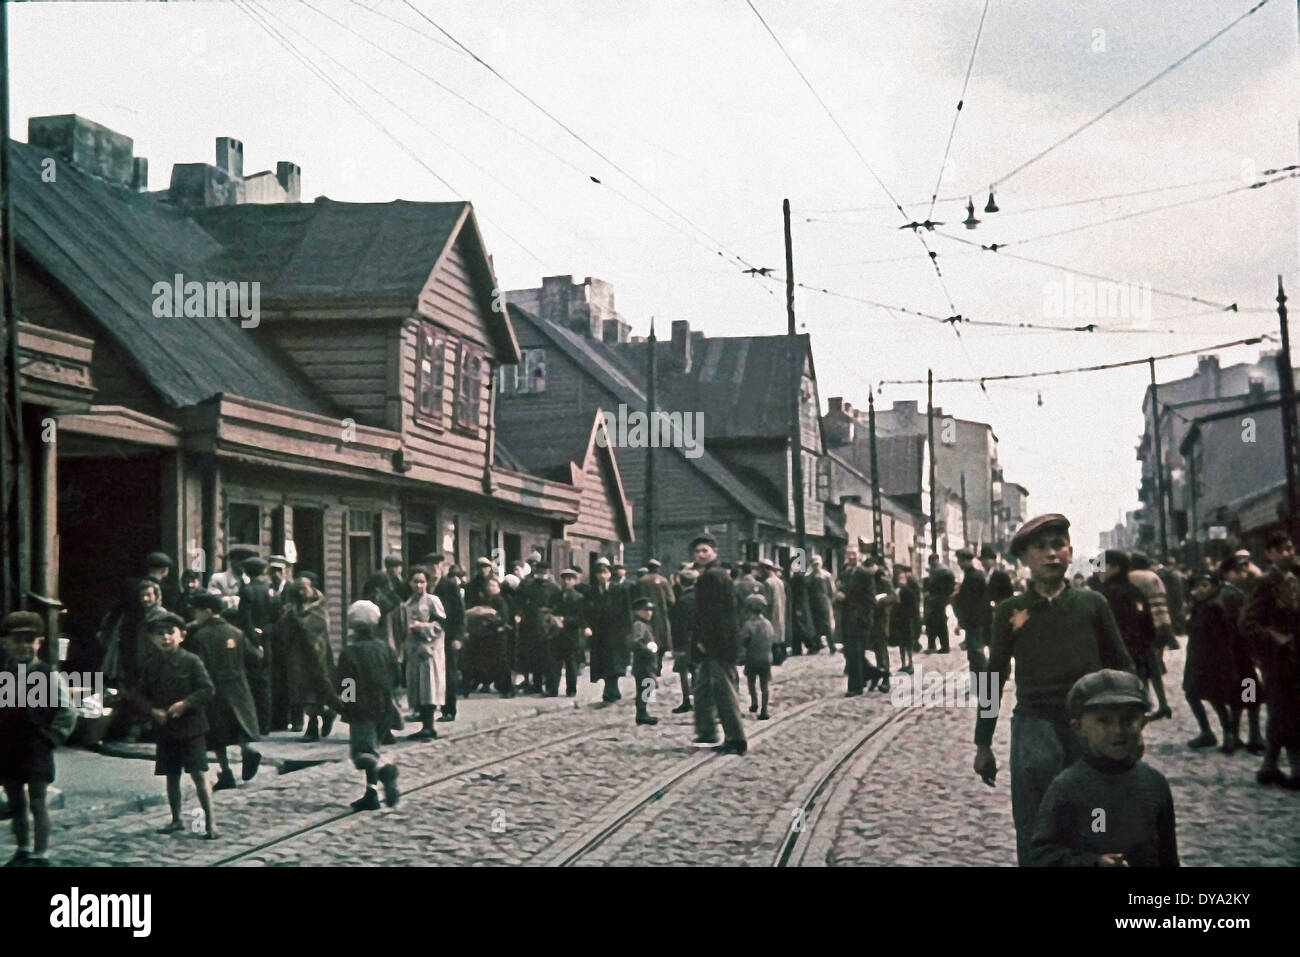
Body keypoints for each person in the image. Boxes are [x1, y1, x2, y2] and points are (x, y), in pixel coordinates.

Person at [972, 514, 1135, 866]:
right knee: (1036, 824)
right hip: (1035, 730)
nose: (1051, 554)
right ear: (1025, 559)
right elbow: (993, 676)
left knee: (1097, 821)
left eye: (1058, 545)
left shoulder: (1092, 605)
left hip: (1091, 730)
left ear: (1070, 551)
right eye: (1040, 548)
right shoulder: (1011, 612)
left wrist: (1130, 726)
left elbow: (1122, 666)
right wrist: (983, 742)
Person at [1028, 669, 1178, 868]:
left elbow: (1168, 855)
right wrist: (1093, 863)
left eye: (1128, 719)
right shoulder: (1068, 787)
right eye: (1104, 721)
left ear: (1142, 722)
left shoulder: (1154, 783)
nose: (1117, 730)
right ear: (1078, 727)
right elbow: (1042, 855)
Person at [126, 613, 218, 839]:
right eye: (160, 634)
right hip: (166, 728)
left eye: (170, 633)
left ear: (182, 636)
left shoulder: (192, 661)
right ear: (152, 639)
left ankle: (210, 823)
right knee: (171, 775)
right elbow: (138, 695)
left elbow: (207, 690)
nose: (165, 638)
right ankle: (176, 819)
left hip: (192, 728)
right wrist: (151, 711)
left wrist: (186, 704)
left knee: (198, 775)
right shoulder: (151, 665)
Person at [0, 612, 77, 867]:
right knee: (15, 802)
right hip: (9, 746)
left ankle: (41, 853)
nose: (23, 646)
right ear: (5, 643)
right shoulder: (5, 676)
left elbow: (67, 710)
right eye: (16, 640)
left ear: (39, 643)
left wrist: (52, 738)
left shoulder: (47, 674)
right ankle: (22, 848)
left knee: (37, 801)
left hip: (36, 747)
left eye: (29, 640)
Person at [183, 593, 262, 790]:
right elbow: (255, 658)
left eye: (197, 611)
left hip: (214, 689)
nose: (195, 615)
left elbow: (198, 665)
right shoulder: (236, 632)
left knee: (217, 735)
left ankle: (226, 772)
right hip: (238, 687)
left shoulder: (201, 636)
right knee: (239, 725)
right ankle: (248, 750)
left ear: (208, 612)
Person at [1240, 530, 1300, 788]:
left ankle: (1270, 765)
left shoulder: (1295, 578)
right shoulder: (1265, 582)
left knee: (1292, 710)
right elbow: (1247, 622)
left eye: (1291, 547)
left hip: (1296, 656)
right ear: (1270, 554)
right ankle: (1293, 768)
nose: (1289, 553)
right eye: (1282, 549)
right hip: (1276, 659)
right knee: (1281, 710)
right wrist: (1274, 637)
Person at [333, 601, 400, 811]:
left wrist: (347, 705)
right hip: (384, 706)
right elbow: (396, 677)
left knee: (362, 754)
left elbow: (347, 683)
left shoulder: (350, 652)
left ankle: (385, 772)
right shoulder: (385, 649)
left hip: (361, 708)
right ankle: (371, 793)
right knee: (374, 748)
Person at [691, 535, 747, 754]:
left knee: (724, 690)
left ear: (715, 552)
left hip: (718, 642)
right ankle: (707, 731)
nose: (700, 555)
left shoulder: (712, 577)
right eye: (697, 552)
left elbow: (716, 614)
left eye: (705, 551)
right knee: (702, 687)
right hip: (713, 641)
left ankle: (736, 739)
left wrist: (706, 641)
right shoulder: (713, 575)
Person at [1097, 550, 1159, 720]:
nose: (1098, 570)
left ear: (1115, 568)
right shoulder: (1135, 592)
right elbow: (1149, 628)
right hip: (1137, 658)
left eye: (1102, 565)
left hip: (1113, 659)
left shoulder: (1104, 595)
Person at [1183, 571, 1241, 752]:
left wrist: (1225, 664)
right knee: (1193, 693)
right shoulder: (1198, 607)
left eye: (1204, 585)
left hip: (1213, 660)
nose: (1198, 590)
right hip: (1197, 658)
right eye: (1195, 586)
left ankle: (1228, 735)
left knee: (1216, 698)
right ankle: (1209, 732)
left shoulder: (1215, 608)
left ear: (1214, 587)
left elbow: (1224, 637)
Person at [279, 572, 336, 742]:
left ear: (312, 588)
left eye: (304, 589)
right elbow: (283, 627)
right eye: (297, 590)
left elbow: (316, 626)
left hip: (318, 655)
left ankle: (319, 720)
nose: (301, 593)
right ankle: (318, 719)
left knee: (318, 688)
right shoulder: (293, 608)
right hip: (298, 655)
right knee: (302, 690)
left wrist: (298, 620)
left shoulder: (320, 606)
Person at [1219, 556, 1267, 754]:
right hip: (1241, 653)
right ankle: (1254, 737)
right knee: (1251, 695)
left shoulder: (1227, 593)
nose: (1243, 574)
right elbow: (1242, 625)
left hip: (1232, 654)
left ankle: (1234, 736)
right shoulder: (1233, 595)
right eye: (1239, 571)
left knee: (1237, 696)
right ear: (1228, 573)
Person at [400, 567, 447, 741]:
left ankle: (429, 726)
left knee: (429, 686)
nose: (419, 585)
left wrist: (422, 627)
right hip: (414, 649)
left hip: (429, 650)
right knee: (417, 686)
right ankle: (422, 724)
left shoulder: (432, 601)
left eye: (422, 582)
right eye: (415, 581)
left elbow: (441, 623)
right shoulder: (408, 602)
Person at [1127, 552, 1174, 720]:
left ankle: (1148, 702)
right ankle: (1162, 703)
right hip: (1160, 625)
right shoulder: (1153, 576)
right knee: (1154, 666)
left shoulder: (1132, 578)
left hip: (1143, 628)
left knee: (1142, 667)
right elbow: (1162, 603)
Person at [238, 557, 281, 734]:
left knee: (250, 683)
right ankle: (265, 724)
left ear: (247, 572)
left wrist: (255, 640)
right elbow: (277, 617)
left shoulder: (247, 591)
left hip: (250, 641)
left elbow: (244, 620)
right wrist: (265, 633)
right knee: (265, 683)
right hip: (268, 640)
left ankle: (253, 724)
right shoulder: (271, 590)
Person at [835, 545, 877, 697]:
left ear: (859, 556)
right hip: (847, 619)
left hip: (859, 620)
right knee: (850, 653)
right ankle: (875, 673)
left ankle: (855, 687)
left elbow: (871, 598)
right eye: (849, 554)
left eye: (854, 554)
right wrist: (839, 597)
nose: (851, 557)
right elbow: (842, 592)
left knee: (856, 653)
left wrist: (863, 616)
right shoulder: (845, 573)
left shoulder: (865, 574)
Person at [588, 557, 632, 703]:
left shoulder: (619, 589)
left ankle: (613, 689)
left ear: (609, 574)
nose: (602, 575)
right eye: (599, 573)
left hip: (616, 632)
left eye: (605, 572)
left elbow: (627, 610)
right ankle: (609, 689)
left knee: (615, 662)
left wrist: (628, 630)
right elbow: (586, 611)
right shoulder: (592, 591)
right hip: (599, 633)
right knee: (603, 662)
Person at [519, 560, 562, 695]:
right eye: (539, 572)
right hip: (531, 624)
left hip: (548, 626)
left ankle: (550, 687)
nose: (541, 575)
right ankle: (536, 685)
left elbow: (558, 606)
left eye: (544, 572)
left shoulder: (554, 588)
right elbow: (520, 602)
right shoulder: (528, 585)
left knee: (549, 658)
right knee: (534, 657)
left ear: (549, 573)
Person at [363, 554, 410, 668]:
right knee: (389, 641)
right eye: (398, 567)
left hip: (382, 614)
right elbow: (395, 597)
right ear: (393, 567)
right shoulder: (384, 578)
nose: (399, 570)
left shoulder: (384, 577)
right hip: (387, 614)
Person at [434, 565, 466, 722]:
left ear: (441, 567)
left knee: (449, 673)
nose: (433, 569)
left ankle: (449, 710)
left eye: (436, 565)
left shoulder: (449, 586)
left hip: (449, 636)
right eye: (429, 566)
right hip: (430, 638)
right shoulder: (422, 583)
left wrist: (459, 637)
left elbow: (460, 613)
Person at [954, 549, 990, 684]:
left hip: (974, 621)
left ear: (965, 561)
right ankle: (979, 682)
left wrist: (961, 622)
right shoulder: (975, 575)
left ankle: (984, 681)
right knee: (974, 653)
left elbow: (970, 603)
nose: (958, 563)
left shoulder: (972, 577)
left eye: (959, 561)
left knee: (975, 653)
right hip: (976, 620)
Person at [739, 593, 777, 720]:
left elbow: (743, 640)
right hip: (766, 658)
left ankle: (754, 702)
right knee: (764, 685)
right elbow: (772, 638)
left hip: (752, 658)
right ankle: (764, 709)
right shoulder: (768, 624)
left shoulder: (748, 624)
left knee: (751, 681)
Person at [550, 569, 585, 698]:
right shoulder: (556, 596)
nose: (567, 582)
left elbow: (581, 619)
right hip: (556, 635)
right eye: (565, 579)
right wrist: (553, 619)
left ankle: (571, 690)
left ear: (575, 581)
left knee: (571, 665)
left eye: (570, 579)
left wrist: (564, 619)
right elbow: (550, 611)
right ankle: (553, 689)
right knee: (555, 664)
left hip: (571, 635)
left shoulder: (579, 598)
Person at [637, 558, 676, 670]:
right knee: (661, 641)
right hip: (661, 616)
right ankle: (658, 665)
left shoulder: (641, 581)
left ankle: (650, 667)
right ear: (658, 569)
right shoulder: (664, 581)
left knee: (646, 640)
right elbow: (671, 600)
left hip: (643, 616)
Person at [670, 568, 699, 713]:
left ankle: (687, 700)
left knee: (684, 671)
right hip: (700, 640)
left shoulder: (682, 601)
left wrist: (676, 647)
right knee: (697, 670)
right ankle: (700, 700)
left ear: (681, 583)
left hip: (685, 641)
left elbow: (677, 625)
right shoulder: (703, 598)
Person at [865, 555, 895, 692]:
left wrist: (881, 600)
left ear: (875, 566)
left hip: (881, 619)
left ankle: (886, 677)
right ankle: (877, 673)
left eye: (871, 567)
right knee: (875, 649)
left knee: (881, 649)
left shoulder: (883, 580)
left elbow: (894, 597)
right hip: (870, 619)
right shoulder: (867, 580)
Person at [630, 598, 661, 726]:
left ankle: (642, 713)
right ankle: (641, 714)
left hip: (647, 662)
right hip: (643, 662)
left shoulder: (645, 624)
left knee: (646, 686)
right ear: (637, 611)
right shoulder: (639, 625)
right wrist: (648, 649)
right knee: (646, 686)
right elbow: (636, 642)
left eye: (650, 610)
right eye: (645, 610)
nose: (649, 613)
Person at [889, 565, 920, 675]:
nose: (901, 581)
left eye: (903, 578)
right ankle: (903, 664)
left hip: (907, 620)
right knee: (901, 643)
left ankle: (910, 663)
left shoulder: (908, 591)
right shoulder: (896, 590)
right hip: (899, 620)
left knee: (908, 642)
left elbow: (913, 606)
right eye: (899, 579)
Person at [923, 554, 956, 654]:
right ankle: (942, 645)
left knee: (934, 623)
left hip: (935, 600)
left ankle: (935, 646)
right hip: (941, 600)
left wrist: (932, 596)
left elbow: (933, 586)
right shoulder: (946, 570)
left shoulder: (938, 571)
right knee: (940, 622)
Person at [208, 547, 257, 612]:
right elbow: (214, 601)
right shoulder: (218, 578)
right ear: (231, 561)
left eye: (246, 561)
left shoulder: (249, 579)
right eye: (239, 560)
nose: (242, 563)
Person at [806, 555, 836, 653]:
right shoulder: (809, 577)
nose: (816, 566)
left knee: (827, 624)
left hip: (824, 600)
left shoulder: (826, 575)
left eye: (817, 564)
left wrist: (830, 600)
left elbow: (832, 590)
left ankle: (831, 645)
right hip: (813, 601)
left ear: (821, 564)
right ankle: (817, 645)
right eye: (814, 564)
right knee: (815, 623)